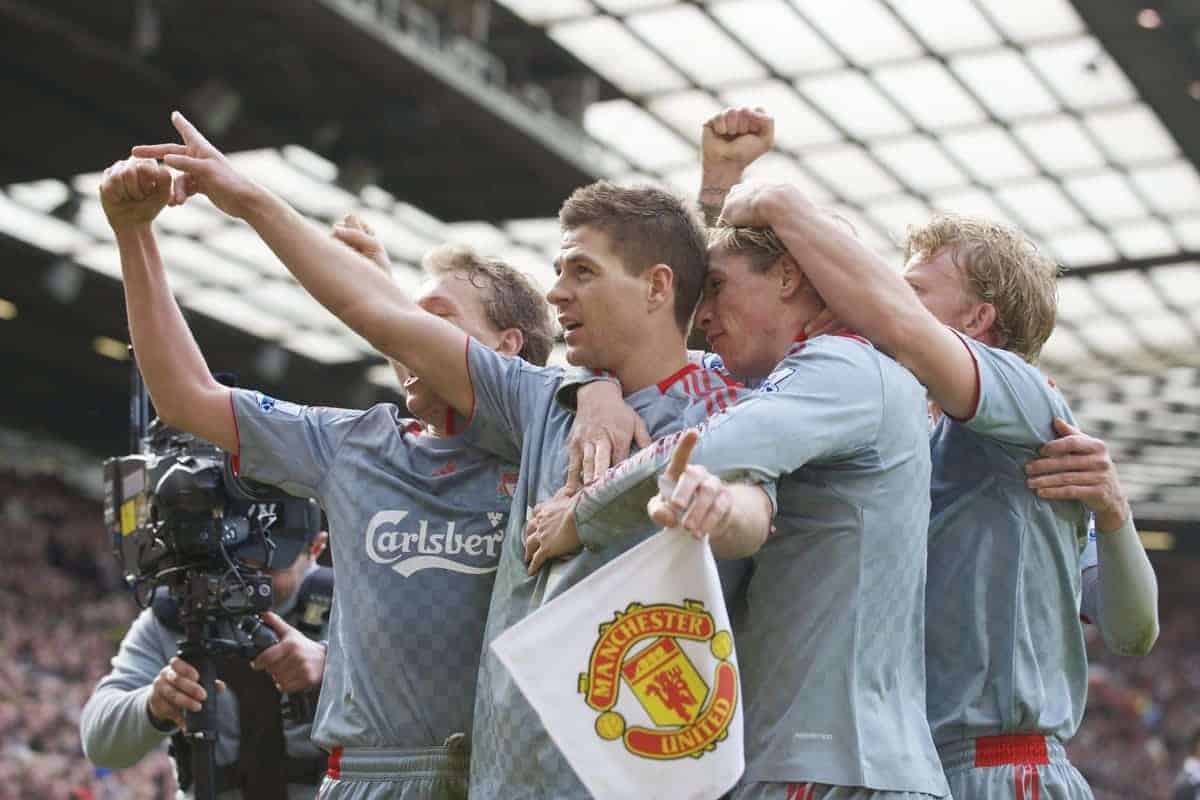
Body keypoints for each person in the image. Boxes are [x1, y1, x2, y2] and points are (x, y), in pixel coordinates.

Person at [130, 112, 757, 798]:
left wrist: (718, 190)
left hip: (625, 767)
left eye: (580, 271)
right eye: (556, 271)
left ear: (509, 344)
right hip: (438, 777)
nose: (557, 291)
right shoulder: (511, 411)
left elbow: (681, 304)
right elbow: (372, 321)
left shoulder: (705, 406)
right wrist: (225, 202)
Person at [92, 154, 559, 799]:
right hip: (367, 780)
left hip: (509, 780)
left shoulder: (564, 445)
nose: (408, 338)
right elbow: (186, 397)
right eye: (408, 317)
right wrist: (133, 234)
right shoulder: (357, 446)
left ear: (508, 347)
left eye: (435, 321)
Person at [717, 179, 1159, 799]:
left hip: (1001, 770)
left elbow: (1133, 632)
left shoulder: (1030, 410)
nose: (891, 298)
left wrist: (1114, 517)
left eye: (915, 289)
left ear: (977, 320)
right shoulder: (888, 440)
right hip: (905, 768)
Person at [532, 223, 950, 800]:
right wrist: (593, 383)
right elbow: (652, 345)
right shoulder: (790, 377)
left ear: (788, 276)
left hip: (833, 764)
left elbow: (709, 447)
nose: (702, 313)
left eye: (719, 287)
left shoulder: (843, 369)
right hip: (821, 756)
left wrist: (581, 513)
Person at [80, 515, 331, 800]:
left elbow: (393, 708)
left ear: (316, 548)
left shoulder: (347, 608)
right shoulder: (175, 615)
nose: (247, 577)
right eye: (240, 559)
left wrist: (331, 669)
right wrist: (154, 705)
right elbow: (99, 743)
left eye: (269, 564)